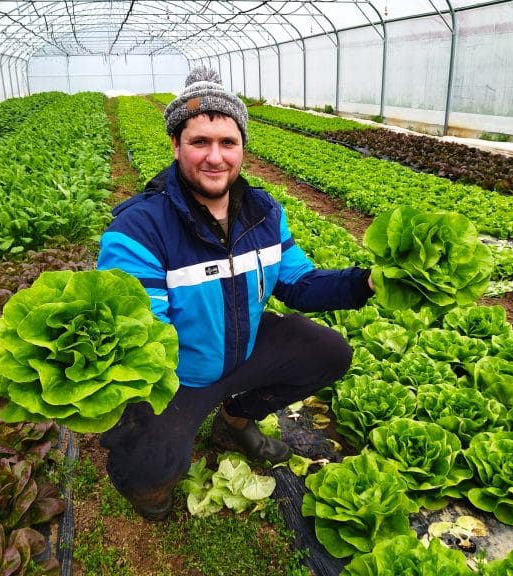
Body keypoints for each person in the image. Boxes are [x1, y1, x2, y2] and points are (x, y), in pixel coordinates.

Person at [96, 66, 374, 521]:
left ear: (243, 147)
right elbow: (144, 332)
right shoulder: (139, 229)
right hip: (177, 375)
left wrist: (365, 283)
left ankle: (235, 420)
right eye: (199, 142)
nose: (215, 157)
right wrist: (161, 409)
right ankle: (153, 465)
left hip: (244, 348)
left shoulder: (263, 212)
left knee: (328, 351)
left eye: (228, 142)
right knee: (146, 472)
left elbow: (299, 284)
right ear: (175, 145)